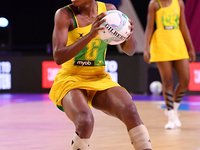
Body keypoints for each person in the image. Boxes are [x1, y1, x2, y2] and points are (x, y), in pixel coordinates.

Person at [49, 0, 153, 149]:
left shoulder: (109, 11)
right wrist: (90, 35)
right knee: (85, 120)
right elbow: (58, 56)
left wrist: (127, 35)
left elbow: (130, 50)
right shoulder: (64, 14)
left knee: (130, 109)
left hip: (98, 78)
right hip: (70, 78)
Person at [143, 0, 196, 129]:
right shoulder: (154, 4)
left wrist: (191, 47)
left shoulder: (179, 3)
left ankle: (173, 109)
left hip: (177, 42)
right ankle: (172, 118)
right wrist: (146, 48)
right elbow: (150, 27)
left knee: (185, 81)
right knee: (167, 81)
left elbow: (183, 26)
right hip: (161, 43)